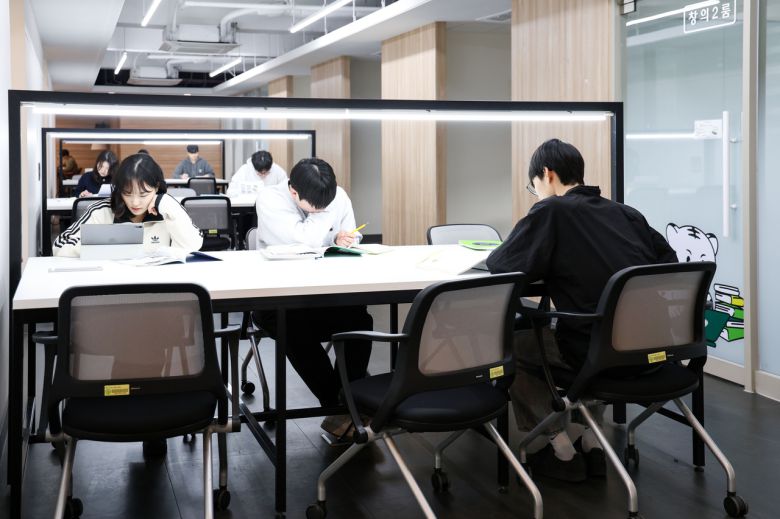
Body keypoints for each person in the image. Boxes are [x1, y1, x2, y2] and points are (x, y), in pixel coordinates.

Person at [486, 139, 677, 482]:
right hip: (654, 350)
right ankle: (593, 439)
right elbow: (669, 264)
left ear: (547, 174)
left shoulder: (551, 210)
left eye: (534, 186)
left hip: (595, 354)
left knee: (512, 342)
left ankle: (558, 447)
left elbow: (502, 265)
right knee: (598, 329)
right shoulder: (626, 213)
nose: (536, 193)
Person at [253, 157, 373, 437]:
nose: (322, 209)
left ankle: (350, 403)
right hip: (278, 297)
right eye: (316, 207)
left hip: (324, 291)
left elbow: (351, 235)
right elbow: (303, 240)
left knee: (359, 319)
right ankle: (338, 407)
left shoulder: (337, 195)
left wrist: (343, 239)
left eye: (327, 203)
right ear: (294, 191)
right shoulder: (271, 199)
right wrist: (325, 214)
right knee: (293, 329)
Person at [53, 153, 203, 257]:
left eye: (143, 195)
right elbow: (60, 246)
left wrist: (169, 206)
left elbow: (193, 245)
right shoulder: (102, 211)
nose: (135, 202)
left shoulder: (168, 210)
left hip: (156, 284)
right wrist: (102, 248)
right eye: (127, 193)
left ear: (157, 187)